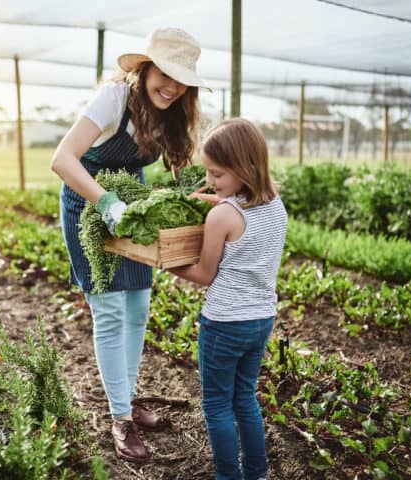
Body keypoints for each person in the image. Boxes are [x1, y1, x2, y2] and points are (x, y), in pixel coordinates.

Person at [51, 27, 209, 463]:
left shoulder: (173, 112)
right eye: (166, 74)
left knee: (138, 306)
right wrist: (105, 202)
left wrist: (203, 201)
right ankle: (120, 417)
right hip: (89, 203)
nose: (173, 87)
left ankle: (128, 396)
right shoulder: (113, 99)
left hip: (133, 205)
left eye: (182, 80)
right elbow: (62, 159)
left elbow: (183, 169)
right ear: (145, 68)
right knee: (109, 309)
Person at [169, 118, 288, 480]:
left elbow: (205, 275)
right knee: (245, 399)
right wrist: (221, 199)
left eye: (217, 174)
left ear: (245, 167)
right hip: (260, 321)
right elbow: (239, 217)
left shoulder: (222, 216)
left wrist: (167, 263)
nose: (211, 182)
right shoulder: (275, 205)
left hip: (223, 324)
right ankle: (257, 474)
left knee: (217, 406)